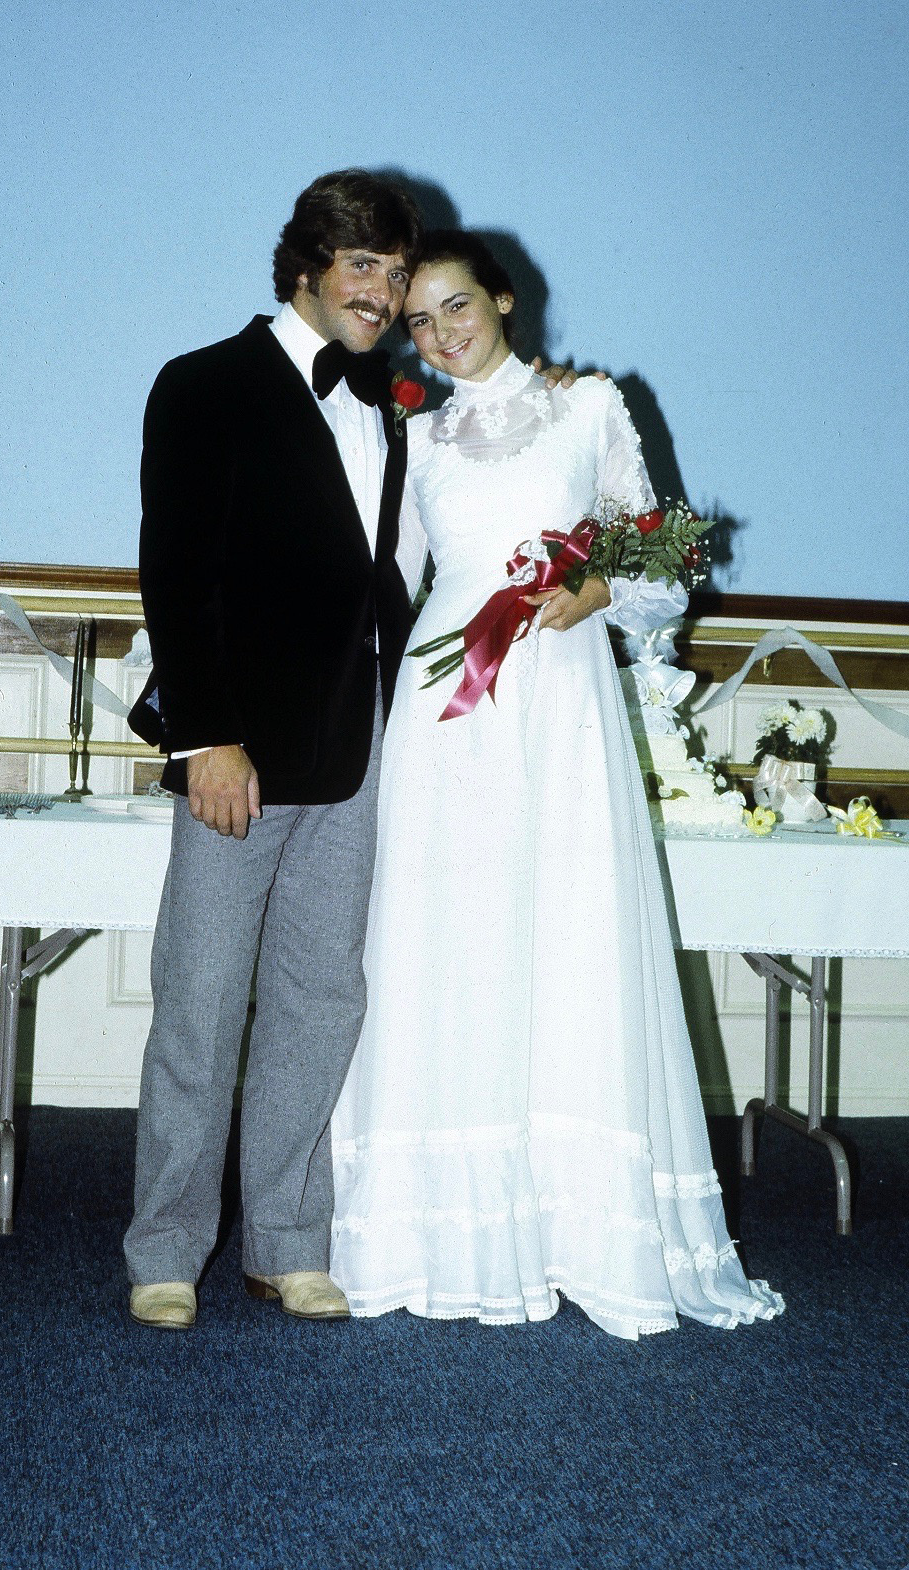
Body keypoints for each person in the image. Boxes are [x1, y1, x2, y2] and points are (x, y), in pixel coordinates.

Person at [124, 174, 582, 1330]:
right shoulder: (204, 384)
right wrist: (205, 739)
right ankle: (165, 1248)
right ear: (306, 268)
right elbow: (177, 575)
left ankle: (287, 1239)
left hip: (365, 742)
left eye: (394, 270)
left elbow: (472, 471)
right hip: (241, 750)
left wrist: (552, 399)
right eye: (362, 266)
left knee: (321, 998)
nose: (382, 293)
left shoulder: (395, 394)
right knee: (201, 995)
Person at [329, 231, 785, 1338]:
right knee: (452, 937)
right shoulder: (416, 431)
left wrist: (594, 589)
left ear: (502, 298)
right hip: (451, 712)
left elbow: (662, 549)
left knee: (567, 930)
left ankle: (576, 1228)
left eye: (454, 306)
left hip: (562, 694)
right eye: (419, 319)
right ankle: (431, 1228)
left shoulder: (592, 409)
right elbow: (386, 579)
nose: (439, 332)